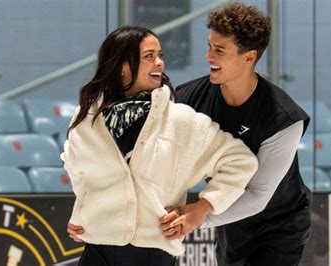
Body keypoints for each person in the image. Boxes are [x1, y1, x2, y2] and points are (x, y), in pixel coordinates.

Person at [62, 25, 258, 266]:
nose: (159, 63)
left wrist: (202, 208)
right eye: (149, 56)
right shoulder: (86, 118)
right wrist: (84, 213)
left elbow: (240, 162)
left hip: (153, 255)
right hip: (97, 251)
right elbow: (77, 169)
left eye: (160, 55)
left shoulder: (181, 120)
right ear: (121, 64)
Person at [160, 3, 312, 266]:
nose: (208, 56)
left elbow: (257, 196)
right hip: (229, 218)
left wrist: (200, 212)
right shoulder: (187, 99)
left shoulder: (283, 118)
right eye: (209, 46)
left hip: (279, 222)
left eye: (219, 50)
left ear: (249, 57)